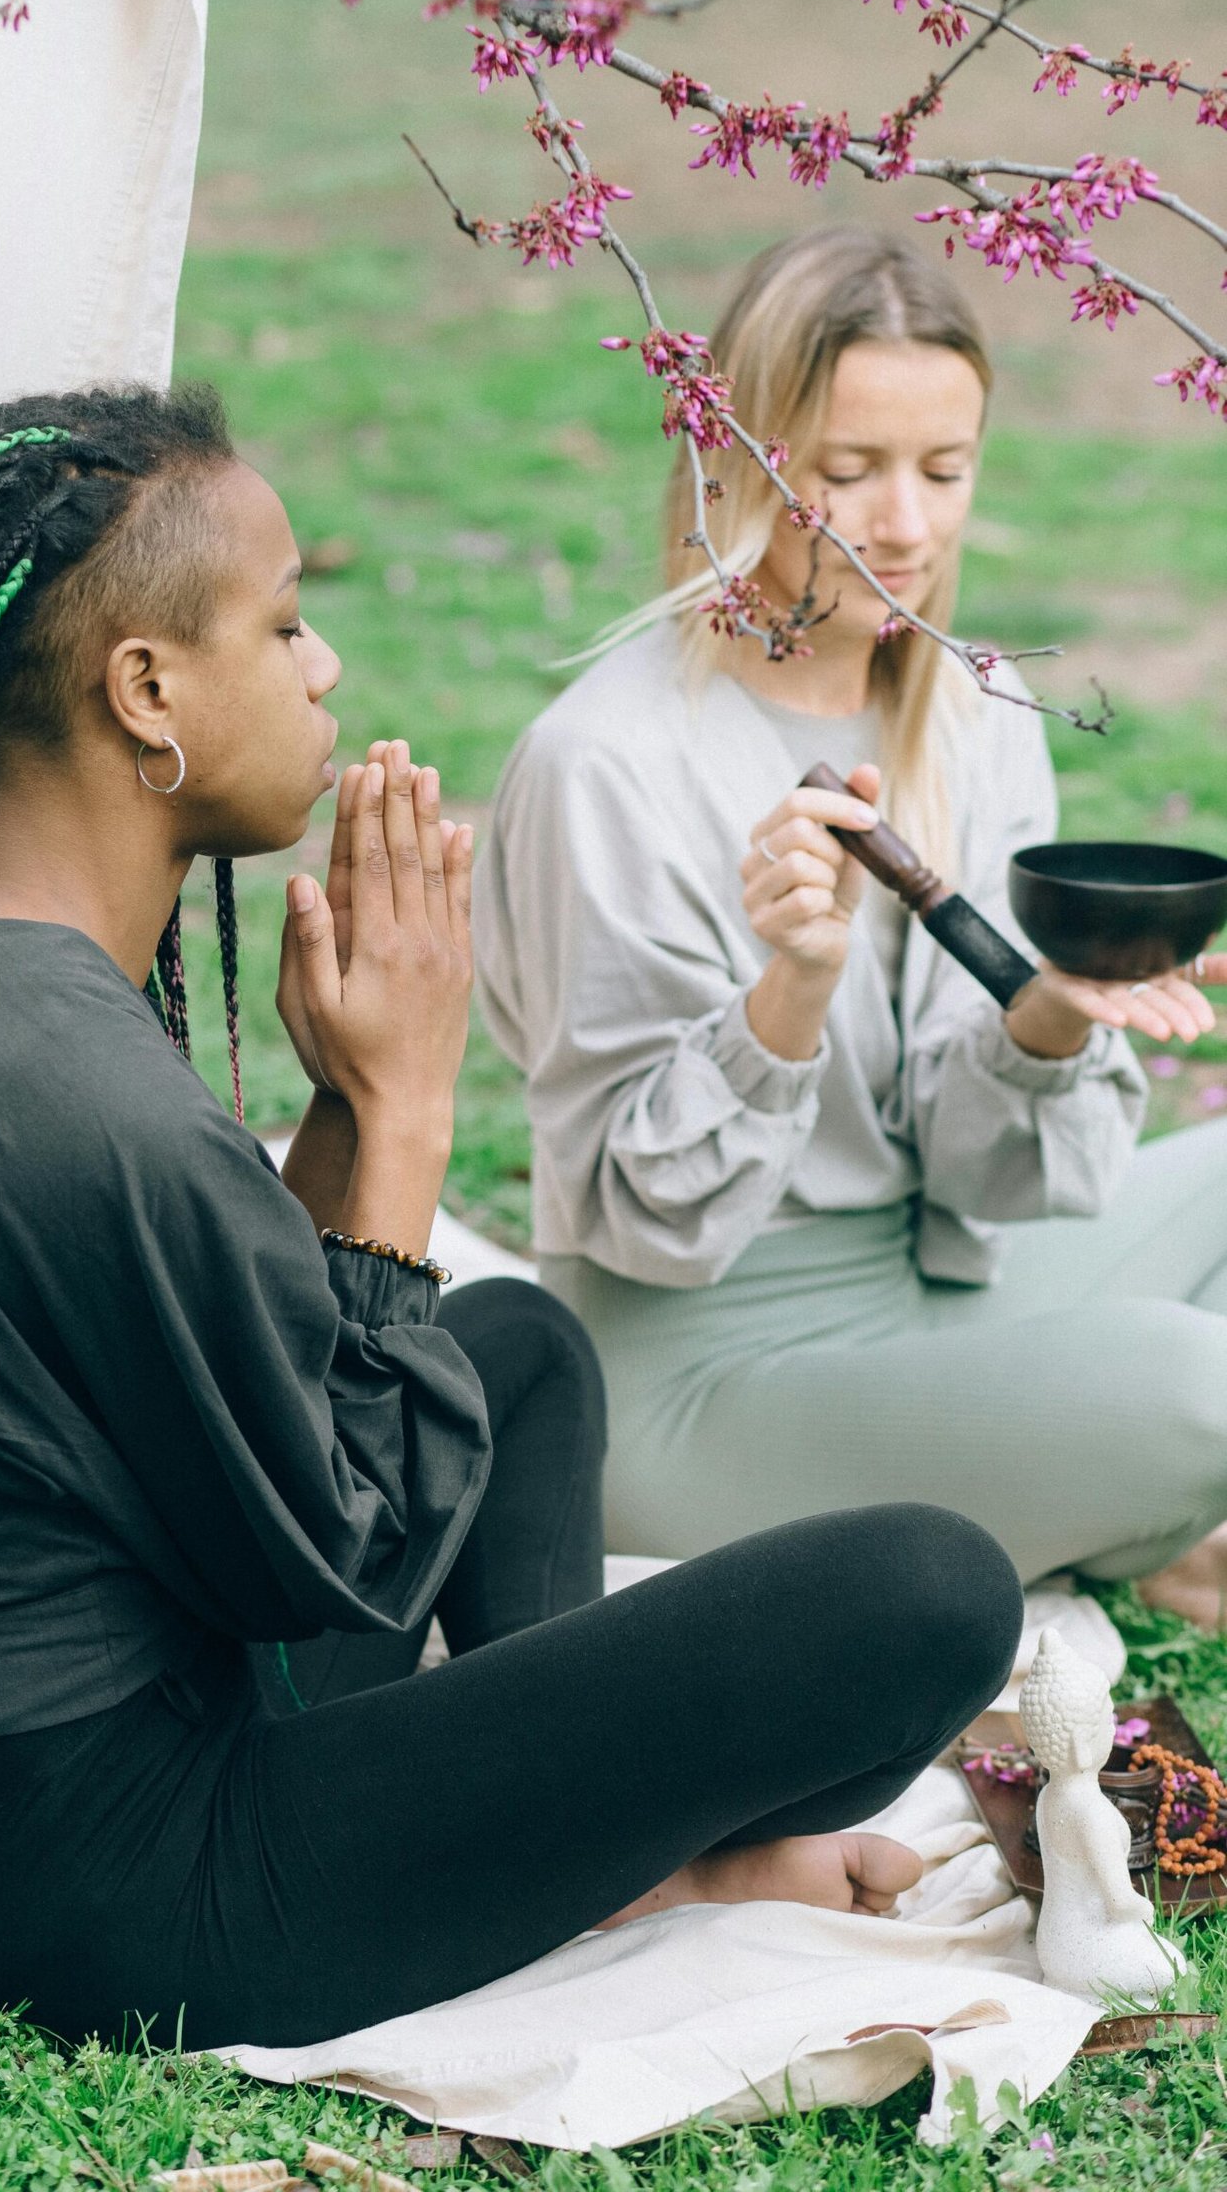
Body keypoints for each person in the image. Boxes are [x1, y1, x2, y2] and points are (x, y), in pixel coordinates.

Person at [0, 381, 1021, 2052]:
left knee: (520, 1349)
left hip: (3, 1773)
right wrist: (405, 1111)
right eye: (286, 621)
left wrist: (333, 1103)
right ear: (147, 693)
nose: (323, 667)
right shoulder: (73, 1096)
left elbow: (210, 1357)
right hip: (123, 1884)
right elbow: (329, 1560)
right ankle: (591, 1858)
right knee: (937, 1593)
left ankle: (547, 1837)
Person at [475, 225, 1227, 1632]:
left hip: (936, 1280)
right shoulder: (609, 761)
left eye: (946, 471)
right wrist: (791, 995)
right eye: (846, 472)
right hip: (695, 1379)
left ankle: (1106, 1502)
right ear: (737, 464)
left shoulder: (975, 708)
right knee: (1203, 1388)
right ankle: (1128, 1506)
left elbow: (982, 1166)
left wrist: (1050, 1020)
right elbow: (646, 1224)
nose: (909, 526)